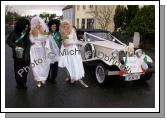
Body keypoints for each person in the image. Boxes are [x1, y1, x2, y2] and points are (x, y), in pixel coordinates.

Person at [58, 20, 88, 87]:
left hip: (73, 49)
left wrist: (80, 43)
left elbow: (76, 40)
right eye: (64, 24)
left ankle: (73, 77)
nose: (66, 25)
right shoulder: (62, 33)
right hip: (66, 50)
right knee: (67, 64)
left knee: (73, 63)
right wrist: (74, 43)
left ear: (69, 25)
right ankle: (69, 76)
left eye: (67, 24)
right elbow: (65, 44)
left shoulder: (72, 31)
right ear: (62, 26)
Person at [6, 17, 31, 89]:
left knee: (25, 70)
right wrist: (15, 46)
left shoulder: (28, 32)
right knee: (18, 71)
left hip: (26, 56)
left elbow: (33, 40)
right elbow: (8, 41)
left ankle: (24, 83)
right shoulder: (14, 33)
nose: (27, 27)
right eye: (25, 26)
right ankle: (19, 83)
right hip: (18, 56)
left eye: (27, 26)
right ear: (21, 25)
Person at [30, 16, 50, 88]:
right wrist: (33, 36)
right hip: (34, 50)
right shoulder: (32, 31)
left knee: (43, 64)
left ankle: (42, 78)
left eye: (39, 22)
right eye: (36, 23)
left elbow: (47, 37)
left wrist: (45, 37)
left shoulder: (43, 31)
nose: (38, 24)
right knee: (36, 65)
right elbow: (32, 40)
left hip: (42, 49)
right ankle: (38, 80)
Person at [47, 19, 61, 84]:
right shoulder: (47, 33)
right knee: (48, 66)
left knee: (55, 66)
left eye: (55, 26)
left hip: (57, 53)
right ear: (50, 26)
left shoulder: (59, 34)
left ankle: (53, 78)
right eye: (52, 26)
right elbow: (40, 36)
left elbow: (65, 39)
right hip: (49, 53)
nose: (54, 27)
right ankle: (47, 77)